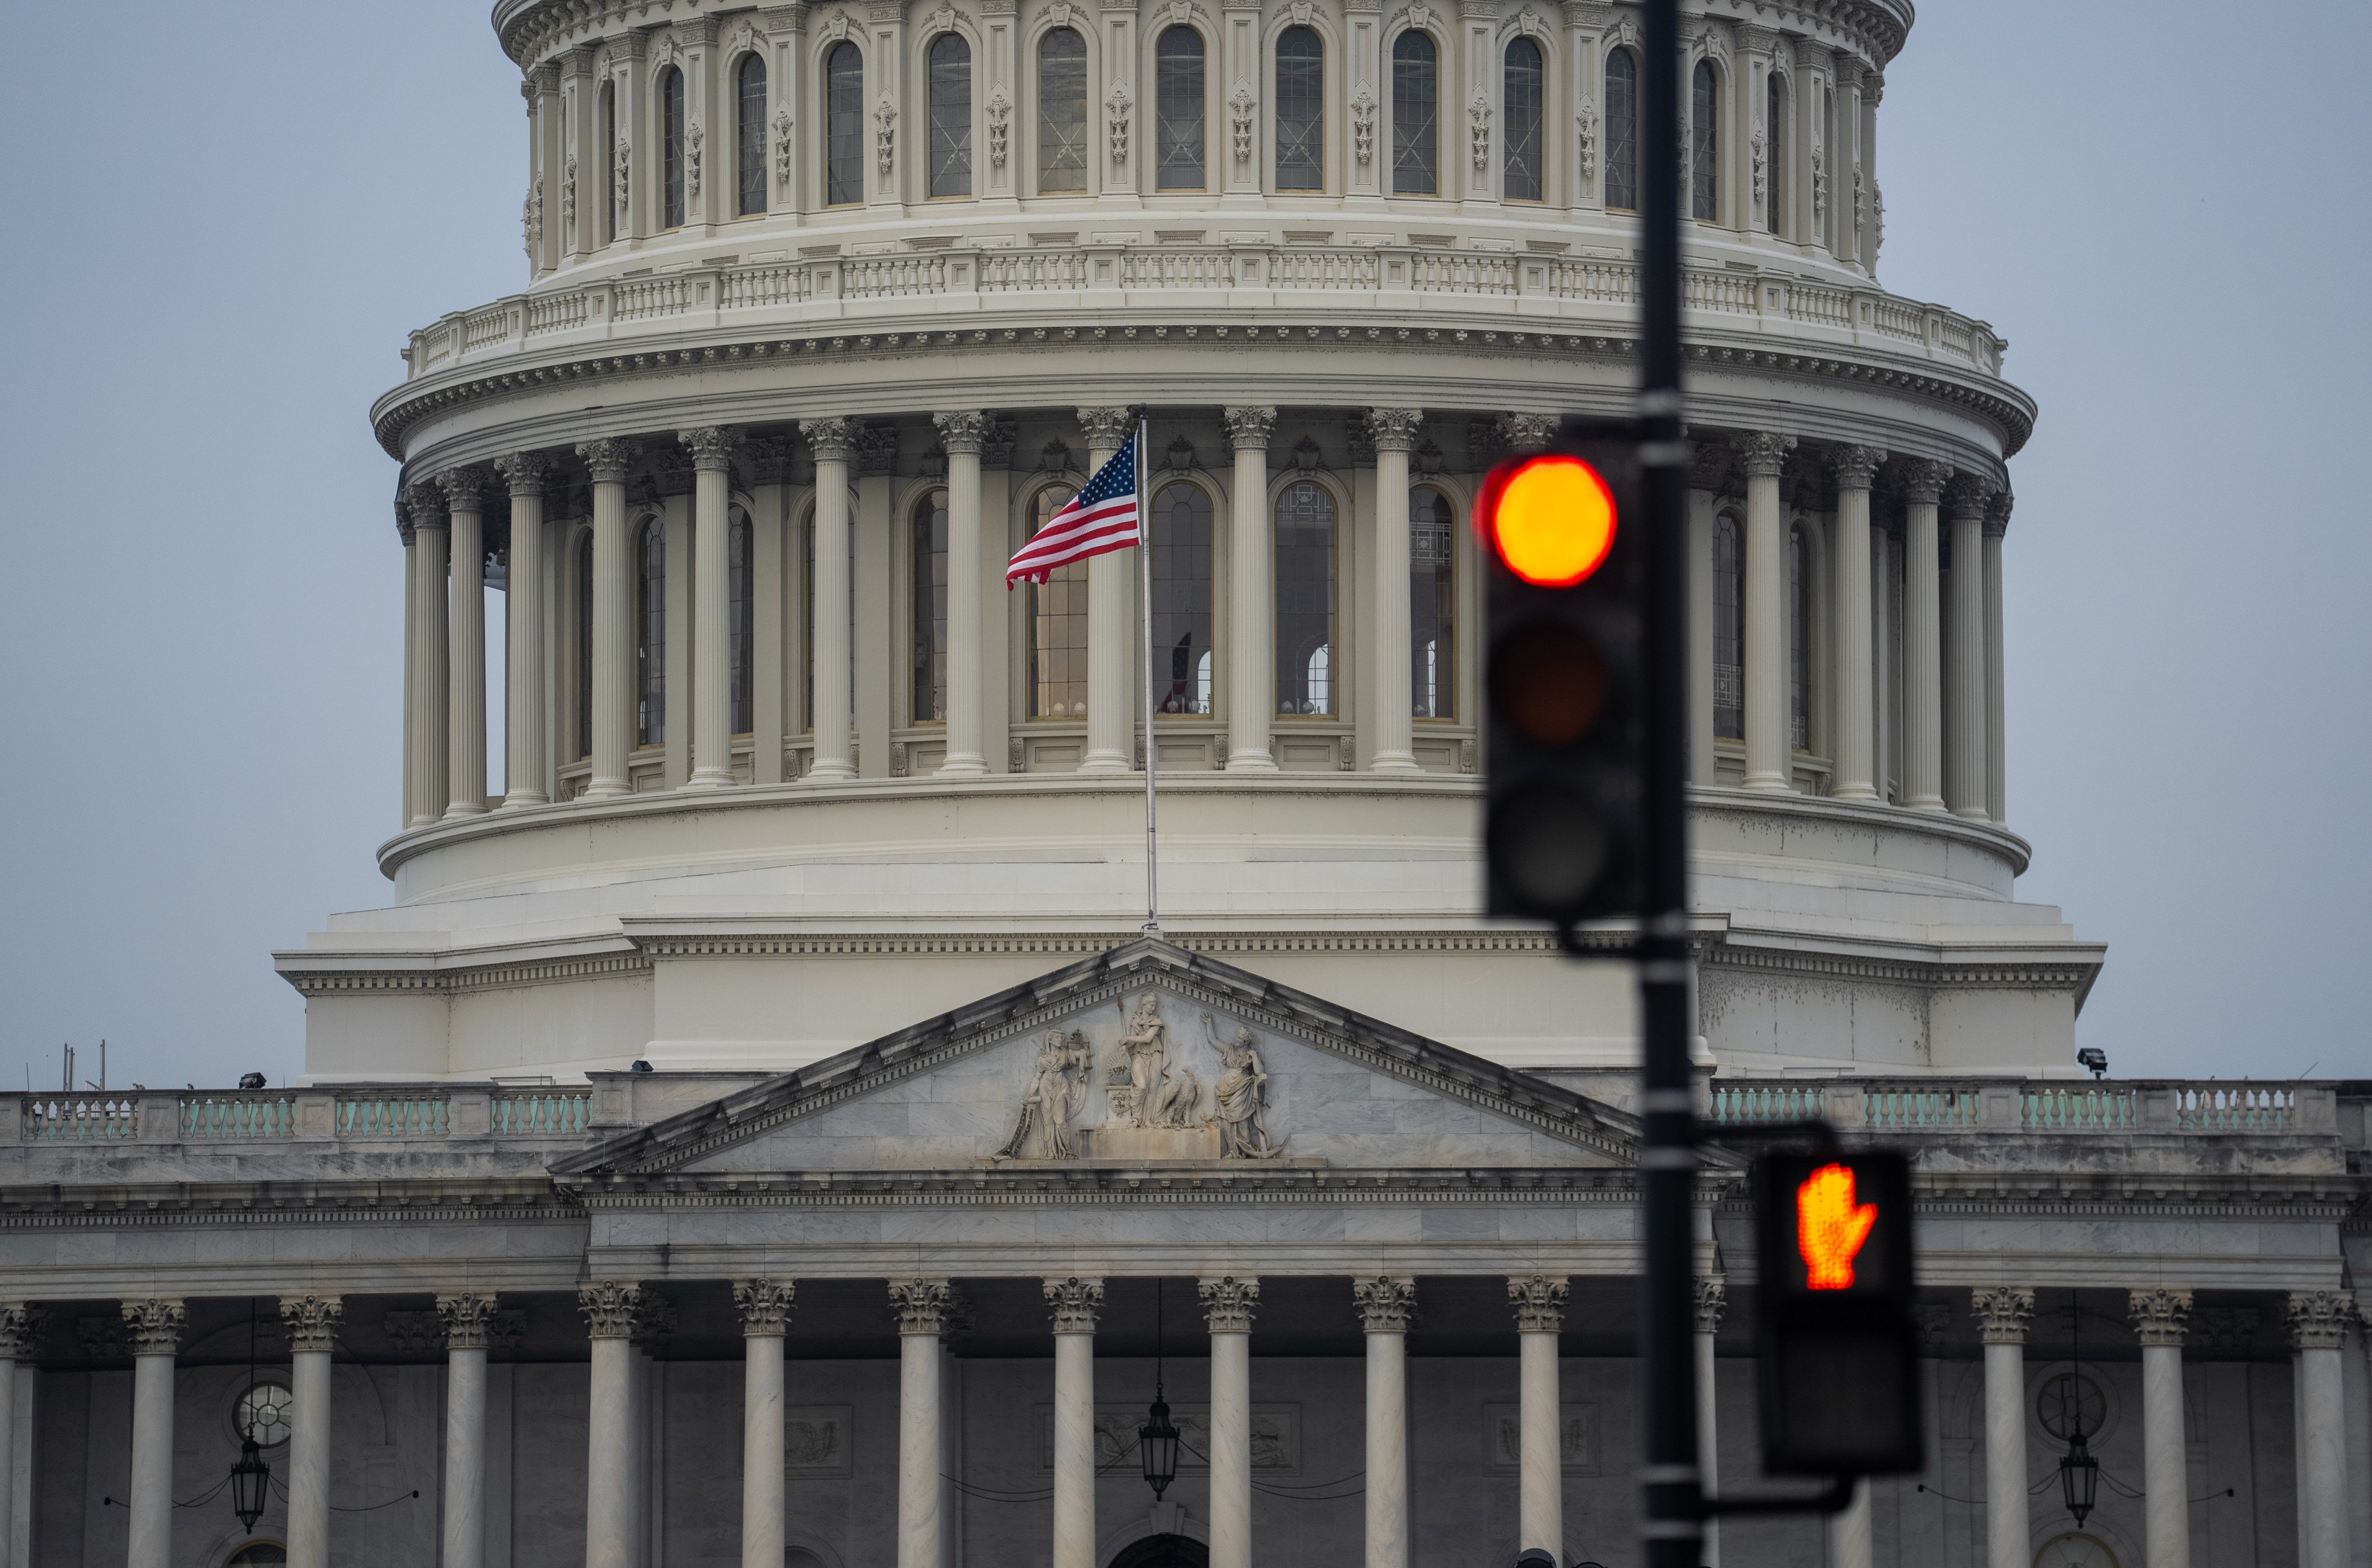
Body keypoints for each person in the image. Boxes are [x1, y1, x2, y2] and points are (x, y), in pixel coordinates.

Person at [1204, 1013, 1281, 1158]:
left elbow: (1259, 1071)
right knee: (1227, 1122)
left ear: (1246, 1041)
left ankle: (1245, 1149)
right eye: (1237, 1037)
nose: (1236, 1039)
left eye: (1239, 1038)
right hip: (1226, 1089)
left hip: (1243, 1088)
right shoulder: (1230, 1049)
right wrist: (1209, 1023)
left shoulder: (1251, 1055)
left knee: (1242, 1121)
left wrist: (1255, 1056)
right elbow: (1212, 1041)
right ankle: (1233, 1151)